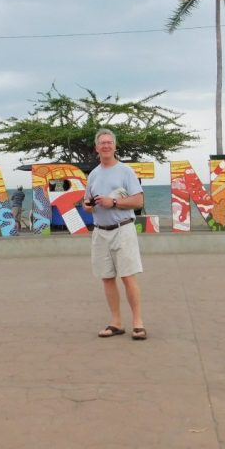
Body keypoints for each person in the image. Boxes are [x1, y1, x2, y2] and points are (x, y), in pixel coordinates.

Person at [82, 128, 147, 340]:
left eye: (110, 142)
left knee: (128, 277)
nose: (106, 146)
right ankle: (116, 323)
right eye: (102, 143)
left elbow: (138, 201)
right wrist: (89, 206)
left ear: (115, 146)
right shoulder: (93, 174)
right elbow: (87, 204)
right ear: (96, 148)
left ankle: (138, 323)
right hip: (100, 232)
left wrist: (115, 202)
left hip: (123, 229)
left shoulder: (125, 171)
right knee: (107, 278)